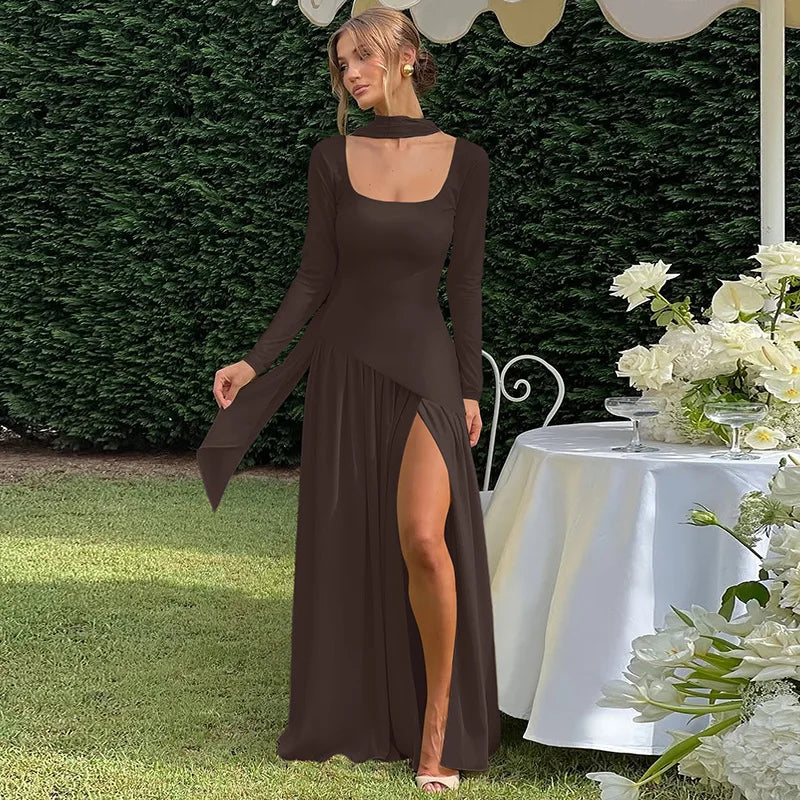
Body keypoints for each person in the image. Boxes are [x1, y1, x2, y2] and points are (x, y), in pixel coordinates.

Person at [196, 7, 499, 793]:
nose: (351, 74)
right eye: (341, 64)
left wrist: (467, 386)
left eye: (363, 57)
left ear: (405, 57)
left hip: (426, 369)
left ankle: (438, 733)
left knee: (424, 540)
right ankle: (363, 711)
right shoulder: (332, 159)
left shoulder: (467, 162)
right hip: (345, 367)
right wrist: (256, 361)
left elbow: (463, 285)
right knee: (353, 537)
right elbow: (313, 278)